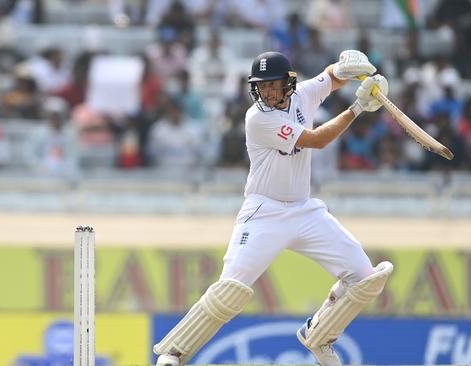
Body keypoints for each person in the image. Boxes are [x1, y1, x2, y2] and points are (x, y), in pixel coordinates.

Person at [153, 50, 393, 366]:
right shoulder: (258, 118)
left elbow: (331, 76)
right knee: (231, 289)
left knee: (365, 277)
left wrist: (355, 68)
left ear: (288, 83)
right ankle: (174, 352)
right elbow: (317, 140)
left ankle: (319, 335)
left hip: (304, 211)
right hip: (263, 212)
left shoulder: (304, 94)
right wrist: (359, 107)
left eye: (272, 85)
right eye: (261, 86)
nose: (266, 92)